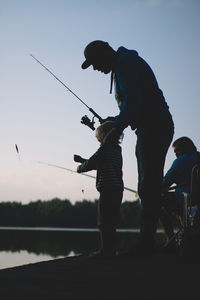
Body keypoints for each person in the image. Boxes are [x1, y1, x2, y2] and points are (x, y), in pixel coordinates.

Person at [81, 40, 174, 255]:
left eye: (95, 62)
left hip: (153, 127)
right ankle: (148, 241)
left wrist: (117, 127)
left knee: (147, 186)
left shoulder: (125, 64)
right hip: (151, 126)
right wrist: (115, 121)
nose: (95, 68)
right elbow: (135, 105)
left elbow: (134, 100)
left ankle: (146, 245)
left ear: (105, 51)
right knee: (149, 185)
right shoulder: (125, 63)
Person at [74, 121, 124, 259]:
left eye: (99, 138)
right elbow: (100, 163)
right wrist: (82, 160)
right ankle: (111, 250)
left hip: (107, 190)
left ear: (103, 137)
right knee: (112, 221)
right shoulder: (116, 150)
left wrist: (80, 168)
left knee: (103, 222)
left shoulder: (104, 149)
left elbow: (91, 163)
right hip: (118, 190)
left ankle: (105, 251)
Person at [160, 137, 200, 250]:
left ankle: (171, 237)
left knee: (156, 200)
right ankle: (186, 229)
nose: (177, 154)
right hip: (196, 203)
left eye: (178, 151)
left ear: (186, 148)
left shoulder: (182, 160)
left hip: (186, 201)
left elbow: (164, 184)